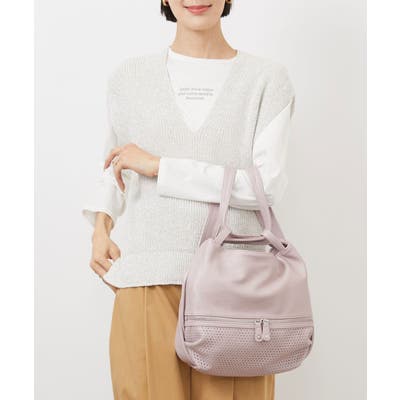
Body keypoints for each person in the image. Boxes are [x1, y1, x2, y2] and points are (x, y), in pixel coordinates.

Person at [82, 1, 295, 398]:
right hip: (148, 275)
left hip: (237, 285)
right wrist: (101, 227)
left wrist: (161, 167)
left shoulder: (267, 79)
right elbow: (115, 163)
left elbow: (265, 187)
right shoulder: (129, 78)